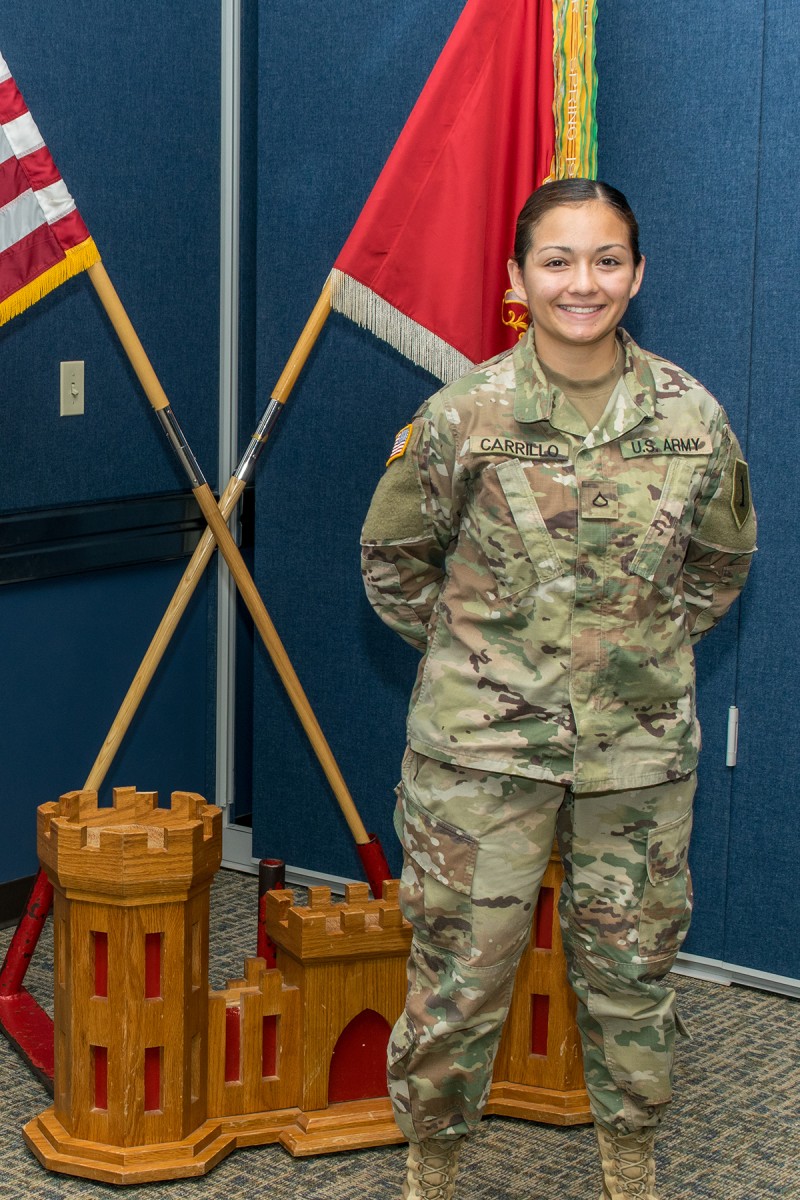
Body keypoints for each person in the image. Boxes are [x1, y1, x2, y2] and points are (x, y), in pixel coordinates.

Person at [360, 178, 756, 1200]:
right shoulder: (460, 417)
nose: (582, 283)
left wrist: (625, 658)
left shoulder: (690, 418)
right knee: (459, 971)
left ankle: (629, 1154)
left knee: (632, 970)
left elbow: (716, 568)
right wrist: (488, 667)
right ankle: (432, 1164)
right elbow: (396, 566)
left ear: (636, 273)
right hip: (480, 757)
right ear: (516, 279)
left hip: (635, 755)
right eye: (556, 261)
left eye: (605, 260)